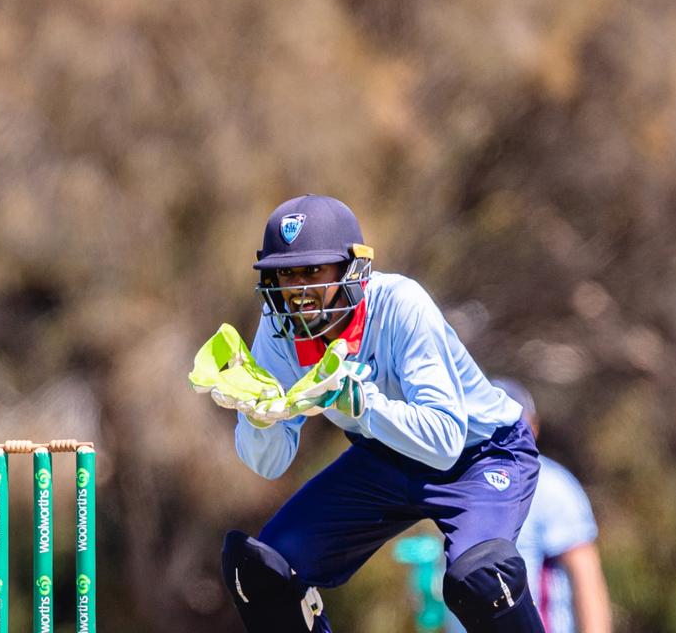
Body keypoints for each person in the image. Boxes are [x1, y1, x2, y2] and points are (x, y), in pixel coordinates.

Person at [195, 194, 546, 633]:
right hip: (383, 455)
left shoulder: (401, 304)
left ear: (352, 271)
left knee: (479, 578)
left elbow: (444, 443)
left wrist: (365, 404)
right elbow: (271, 464)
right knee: (262, 570)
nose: (299, 291)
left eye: (313, 271)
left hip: (481, 456)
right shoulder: (278, 326)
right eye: (286, 273)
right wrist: (259, 418)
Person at [446, 379, 613, 633]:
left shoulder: (553, 486)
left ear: (533, 426)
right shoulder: (458, 483)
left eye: (510, 422)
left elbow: (585, 576)